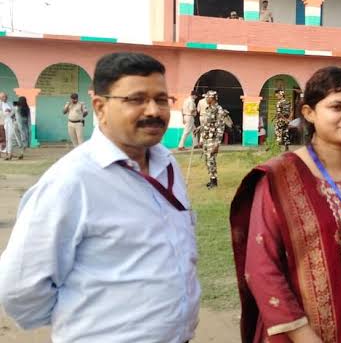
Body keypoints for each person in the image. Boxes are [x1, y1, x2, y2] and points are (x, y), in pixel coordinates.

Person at [0, 52, 200, 342]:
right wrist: (86, 322)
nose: (154, 110)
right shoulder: (71, 182)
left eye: (161, 99)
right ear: (100, 107)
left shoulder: (167, 164)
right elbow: (19, 287)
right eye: (137, 99)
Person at [230, 66, 341, 343]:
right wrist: (305, 337)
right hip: (295, 333)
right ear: (309, 113)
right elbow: (262, 268)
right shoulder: (279, 177)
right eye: (337, 107)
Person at [199, 90, 227, 189]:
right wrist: (200, 129)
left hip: (213, 139)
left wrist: (217, 144)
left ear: (212, 98)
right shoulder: (208, 109)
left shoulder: (219, 110)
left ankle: (214, 181)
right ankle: (211, 179)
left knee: (211, 160)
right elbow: (207, 123)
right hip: (207, 138)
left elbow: (221, 127)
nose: (206, 99)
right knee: (207, 159)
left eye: (207, 97)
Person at [1, 92, 14, 159]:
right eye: (3, 96)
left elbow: (13, 112)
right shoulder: (0, 104)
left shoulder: (10, 103)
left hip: (10, 122)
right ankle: (4, 153)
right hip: (2, 123)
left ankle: (10, 153)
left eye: (6, 96)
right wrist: (4, 112)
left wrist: (10, 111)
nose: (5, 98)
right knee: (3, 139)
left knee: (9, 138)